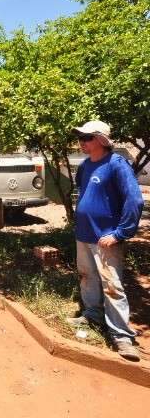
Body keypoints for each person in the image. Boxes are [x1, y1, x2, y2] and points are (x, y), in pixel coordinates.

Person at [66, 120, 144, 361]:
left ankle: (122, 336)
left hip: (106, 239)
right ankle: (92, 315)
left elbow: (134, 201)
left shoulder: (116, 165)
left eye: (87, 137)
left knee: (112, 285)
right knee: (87, 276)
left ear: (101, 140)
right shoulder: (86, 166)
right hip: (84, 235)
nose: (82, 142)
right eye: (80, 137)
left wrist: (120, 233)